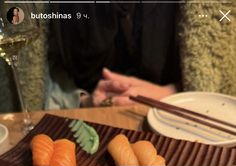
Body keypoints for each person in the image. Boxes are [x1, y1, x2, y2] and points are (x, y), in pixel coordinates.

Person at [0, 2, 235, 113]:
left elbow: (224, 79)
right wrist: (83, 101)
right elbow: (40, 75)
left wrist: (174, 95)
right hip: (81, 122)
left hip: (189, 127)